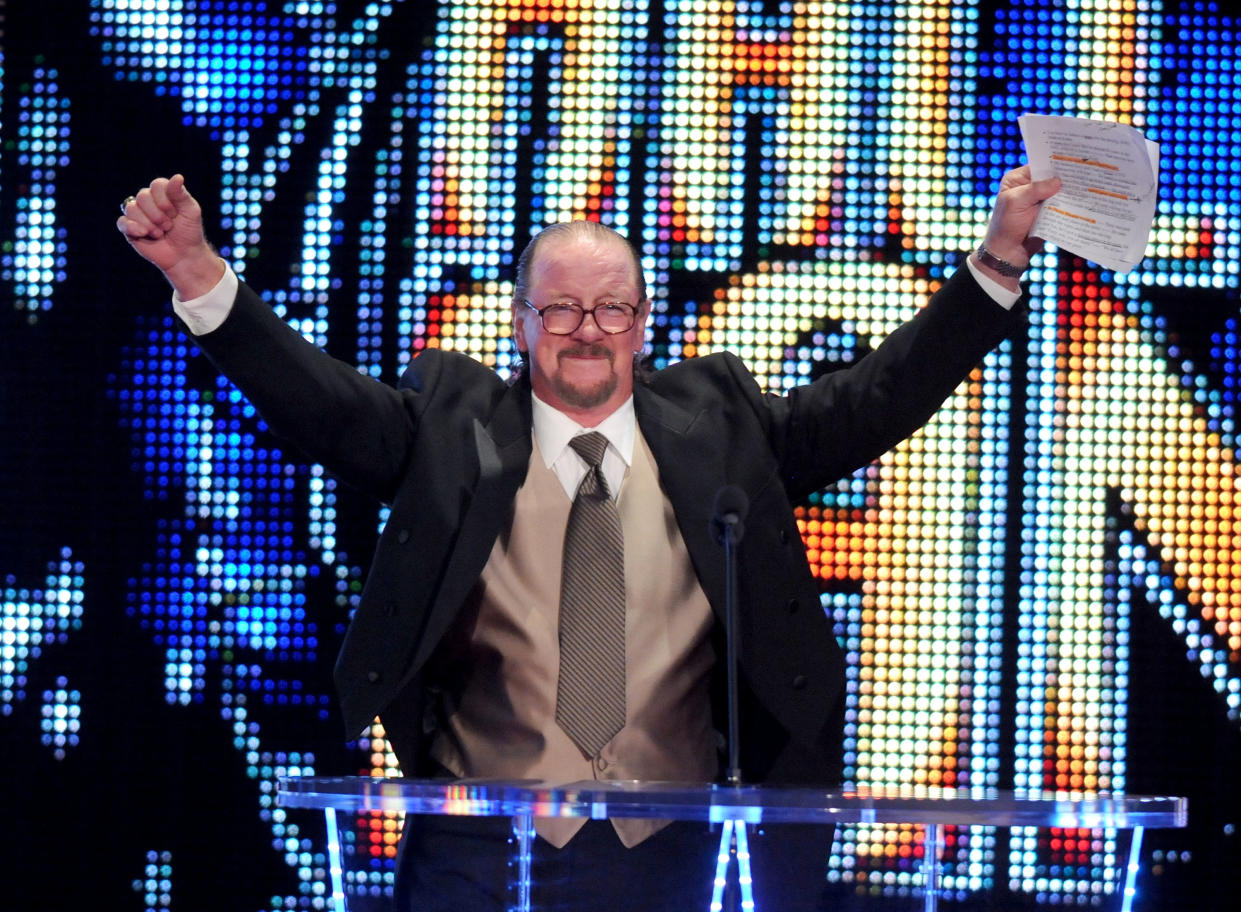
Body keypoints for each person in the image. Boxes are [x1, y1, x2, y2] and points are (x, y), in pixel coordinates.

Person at [117, 167, 1060, 911]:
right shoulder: (451, 423)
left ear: (643, 325)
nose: (586, 332)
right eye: (560, 310)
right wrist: (201, 278)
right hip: (477, 851)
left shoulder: (722, 424)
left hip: (681, 850)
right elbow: (320, 406)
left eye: (611, 309)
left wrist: (991, 269)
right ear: (522, 323)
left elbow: (874, 400)